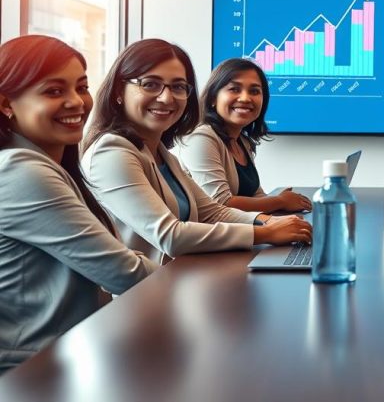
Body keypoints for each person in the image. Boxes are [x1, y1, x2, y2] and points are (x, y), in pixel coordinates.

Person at [0, 36, 157, 373]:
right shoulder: (20, 171)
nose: (77, 102)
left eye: (81, 87)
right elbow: (124, 274)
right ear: (5, 104)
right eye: (54, 91)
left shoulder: (46, 164)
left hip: (69, 356)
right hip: (32, 373)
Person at [82, 39, 311, 263]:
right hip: (140, 293)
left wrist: (268, 222)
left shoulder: (163, 154)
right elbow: (170, 236)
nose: (166, 97)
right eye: (150, 84)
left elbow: (212, 212)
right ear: (118, 92)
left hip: (180, 277)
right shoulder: (111, 153)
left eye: (178, 87)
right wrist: (266, 233)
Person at [178, 58, 310, 213]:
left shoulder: (242, 141)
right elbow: (221, 203)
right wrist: (279, 201)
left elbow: (257, 196)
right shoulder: (200, 139)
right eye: (234, 89)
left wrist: (281, 204)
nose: (246, 98)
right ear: (213, 97)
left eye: (254, 91)